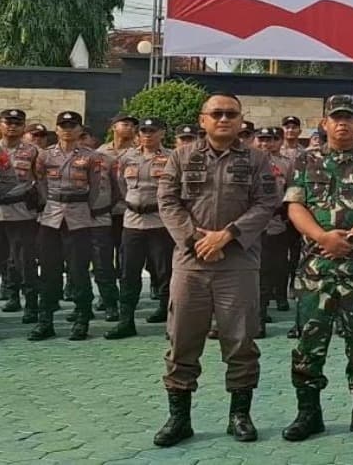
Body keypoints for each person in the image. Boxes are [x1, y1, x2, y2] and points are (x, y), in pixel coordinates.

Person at [154, 93, 279, 447]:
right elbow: (167, 201)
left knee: (240, 340)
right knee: (182, 340)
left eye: (231, 114)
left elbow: (267, 202)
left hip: (237, 263)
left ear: (241, 120)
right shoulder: (180, 157)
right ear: (203, 119)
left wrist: (227, 236)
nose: (224, 119)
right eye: (217, 113)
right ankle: (179, 419)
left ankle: (239, 415)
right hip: (191, 263)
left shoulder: (257, 160)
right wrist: (195, 239)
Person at [281, 95, 353, 441]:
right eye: (336, 118)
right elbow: (294, 206)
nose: (342, 124)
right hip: (315, 269)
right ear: (325, 123)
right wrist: (322, 237)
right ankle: (308, 413)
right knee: (309, 343)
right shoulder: (305, 160)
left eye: (349, 118)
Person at [29, 111, 112, 341]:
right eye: (63, 125)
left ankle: (81, 321)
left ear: (79, 130)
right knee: (48, 271)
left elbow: (95, 188)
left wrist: (84, 207)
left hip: (79, 218)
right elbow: (40, 183)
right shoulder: (44, 156)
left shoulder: (92, 156)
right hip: (51, 217)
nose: (67, 129)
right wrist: (50, 203)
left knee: (79, 271)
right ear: (56, 129)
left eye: (72, 125)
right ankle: (45, 321)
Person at [106, 118, 173, 339]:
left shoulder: (171, 157)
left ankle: (171, 321)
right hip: (132, 222)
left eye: (153, 131)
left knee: (166, 273)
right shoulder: (127, 157)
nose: (147, 135)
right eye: (144, 130)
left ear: (162, 133)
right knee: (128, 273)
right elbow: (120, 185)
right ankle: (126, 321)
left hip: (160, 222)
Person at [0, 109, 40, 324]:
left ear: (24, 126)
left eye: (17, 122)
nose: (12, 126)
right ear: (0, 124)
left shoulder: (33, 151)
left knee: (24, 262)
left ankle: (32, 304)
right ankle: (11, 295)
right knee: (5, 261)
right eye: (8, 122)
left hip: (21, 214)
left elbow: (40, 181)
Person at [95, 113, 138, 320]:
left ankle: (125, 298)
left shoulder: (138, 153)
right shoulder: (100, 153)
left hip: (129, 213)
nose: (130, 128)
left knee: (126, 259)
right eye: (125, 124)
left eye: (133, 125)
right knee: (103, 259)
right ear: (114, 127)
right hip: (104, 214)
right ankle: (107, 296)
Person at [254, 127, 294, 338]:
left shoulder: (285, 164)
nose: (265, 144)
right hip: (248, 227)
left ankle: (260, 319)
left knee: (268, 273)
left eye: (270, 140)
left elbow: (291, 191)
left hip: (274, 225)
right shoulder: (245, 161)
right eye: (261, 139)